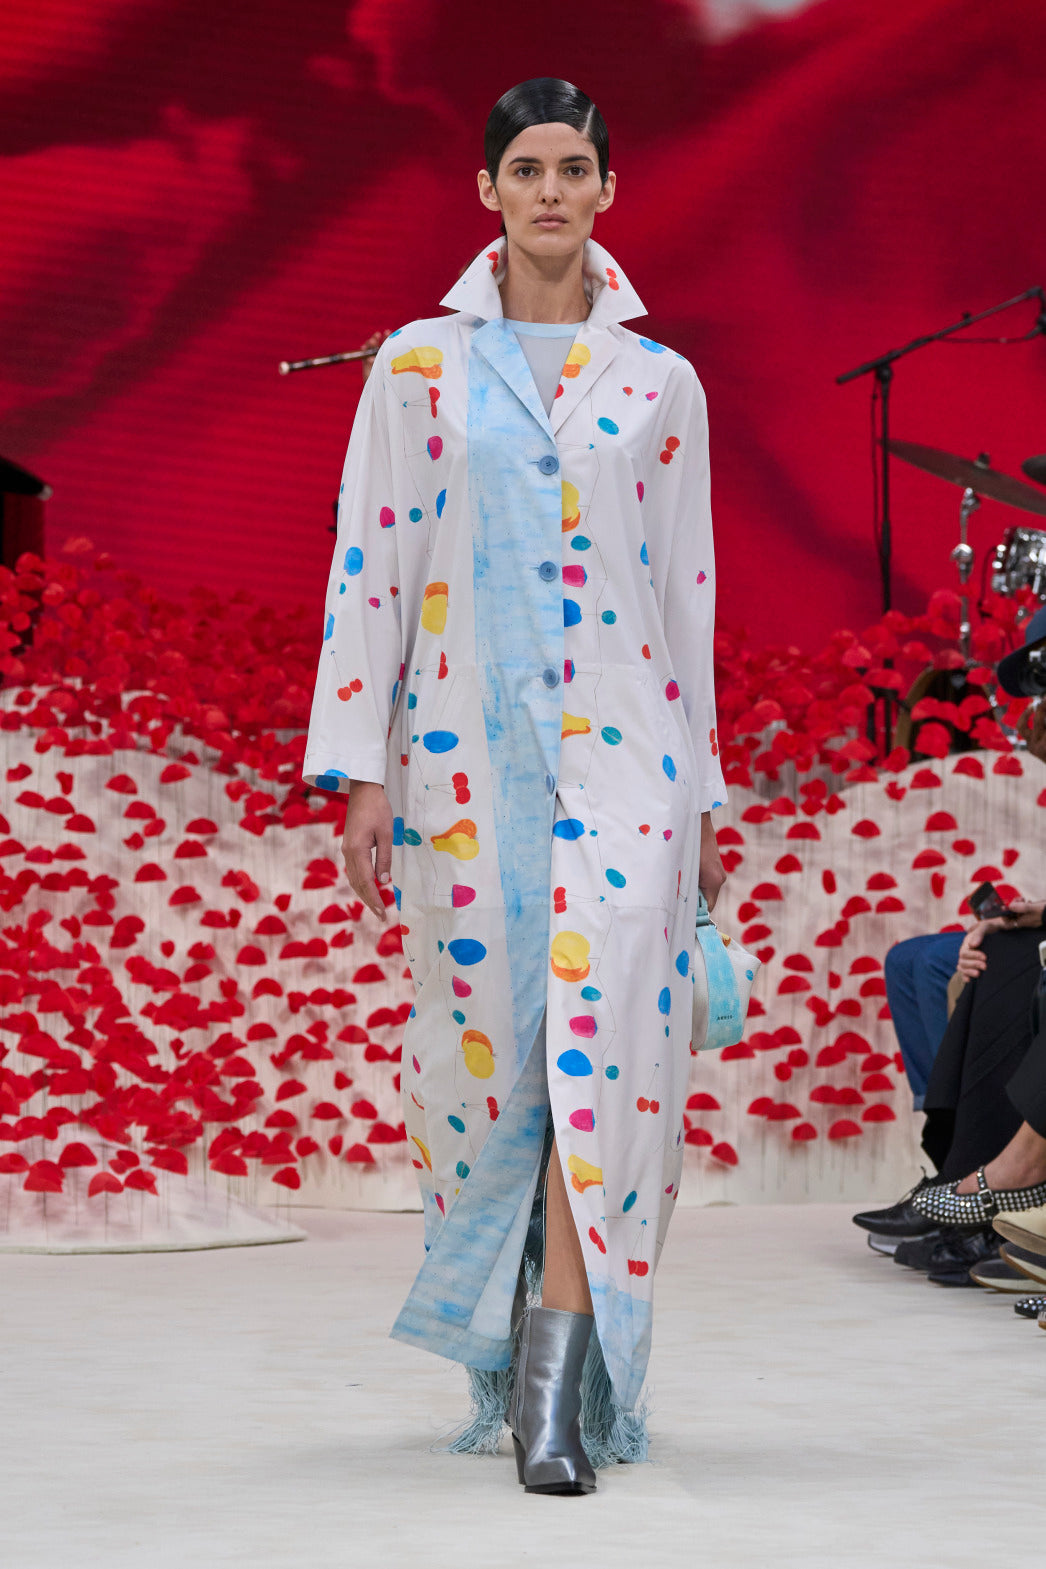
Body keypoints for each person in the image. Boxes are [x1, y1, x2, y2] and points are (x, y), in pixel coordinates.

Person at [303, 78, 726, 1495]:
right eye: (527, 168)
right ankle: (505, 1366)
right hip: (467, 770)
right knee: (488, 1077)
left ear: (608, 189)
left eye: (575, 167)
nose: (552, 190)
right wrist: (359, 770)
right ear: (487, 188)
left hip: (629, 764)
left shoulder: (659, 383)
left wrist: (702, 797)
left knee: (599, 1061)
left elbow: (685, 593)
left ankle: (557, 1395)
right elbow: (371, 561)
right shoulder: (416, 366)